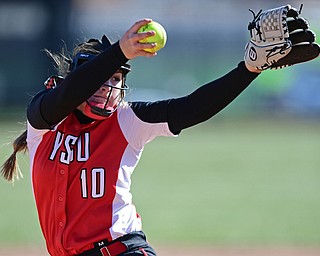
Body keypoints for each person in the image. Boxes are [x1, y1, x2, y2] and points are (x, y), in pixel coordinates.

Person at [1, 5, 319, 256]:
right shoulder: (45, 120)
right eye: (101, 78)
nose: (108, 86)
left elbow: (191, 107)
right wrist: (119, 52)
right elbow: (69, 93)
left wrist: (248, 70)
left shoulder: (126, 121)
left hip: (123, 249)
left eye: (116, 79)